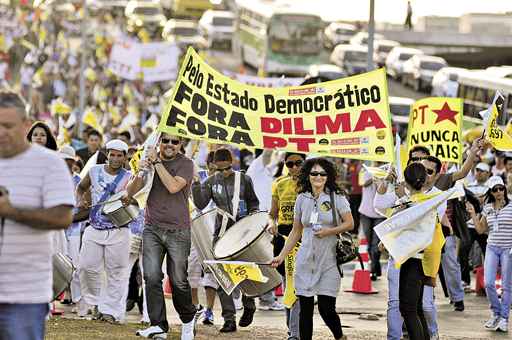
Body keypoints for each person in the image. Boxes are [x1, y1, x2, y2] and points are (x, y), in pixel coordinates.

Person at [0, 91, 74, 340]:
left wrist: (12, 212)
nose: (1, 132)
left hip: (25, 293)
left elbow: (62, 217)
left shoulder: (49, 164)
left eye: (8, 126)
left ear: (26, 125)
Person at [272, 157, 354, 340]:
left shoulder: (337, 197)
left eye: (322, 173)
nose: (318, 177)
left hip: (329, 261)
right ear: (308, 176)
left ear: (328, 176)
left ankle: (340, 336)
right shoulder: (302, 198)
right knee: (305, 310)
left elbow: (350, 223)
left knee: (326, 309)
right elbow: (296, 231)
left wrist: (329, 231)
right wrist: (281, 256)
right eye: (314, 173)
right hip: (305, 260)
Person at [126, 133, 196, 340]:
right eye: (165, 140)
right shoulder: (148, 160)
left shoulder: (186, 164)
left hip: (179, 230)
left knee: (178, 281)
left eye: (175, 142)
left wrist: (156, 163)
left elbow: (174, 187)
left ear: (180, 144)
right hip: (152, 228)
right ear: (159, 142)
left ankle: (188, 321)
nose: (169, 145)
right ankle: (158, 325)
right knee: (152, 276)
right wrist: (141, 171)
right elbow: (130, 192)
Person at [191, 148, 260, 333]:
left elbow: (254, 202)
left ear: (233, 163)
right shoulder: (211, 181)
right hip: (221, 233)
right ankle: (229, 319)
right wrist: (196, 183)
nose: (224, 172)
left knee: (246, 272)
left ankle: (249, 303)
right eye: (220, 169)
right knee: (223, 278)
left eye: (227, 168)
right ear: (214, 166)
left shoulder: (244, 179)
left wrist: (254, 219)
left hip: (244, 232)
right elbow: (200, 204)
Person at [76, 139, 133, 323]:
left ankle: (111, 312)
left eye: (119, 155)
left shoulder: (130, 176)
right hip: (94, 228)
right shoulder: (94, 171)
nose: (115, 158)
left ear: (125, 158)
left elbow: (136, 198)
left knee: (116, 273)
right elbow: (81, 188)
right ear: (107, 154)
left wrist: (129, 199)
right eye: (112, 154)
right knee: (86, 267)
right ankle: (96, 304)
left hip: (119, 230)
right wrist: (82, 200)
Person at [268, 152, 306, 340]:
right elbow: (272, 213)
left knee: (298, 285)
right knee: (287, 284)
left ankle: (295, 333)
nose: (294, 167)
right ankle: (292, 330)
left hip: (305, 238)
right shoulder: (279, 183)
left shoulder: (311, 184)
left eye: (298, 163)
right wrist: (271, 223)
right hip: (283, 237)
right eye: (290, 164)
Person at [469, 176, 512, 332]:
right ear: (491, 192)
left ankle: (504, 318)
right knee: (488, 283)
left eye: (501, 188)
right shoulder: (487, 207)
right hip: (492, 247)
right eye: (495, 189)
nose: (499, 192)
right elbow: (480, 230)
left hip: (509, 248)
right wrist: (473, 213)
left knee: (507, 285)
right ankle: (496, 313)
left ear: (505, 189)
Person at [359, 162, 386, 281]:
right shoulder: (365, 171)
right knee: (369, 244)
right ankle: (376, 266)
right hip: (366, 212)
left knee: (375, 244)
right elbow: (363, 184)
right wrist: (375, 176)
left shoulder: (387, 172)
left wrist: (383, 177)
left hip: (380, 213)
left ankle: (373, 271)